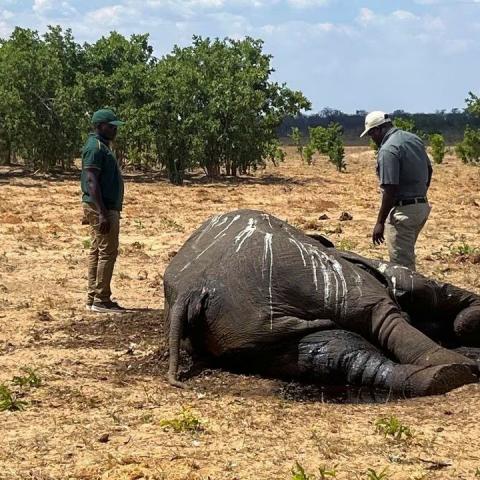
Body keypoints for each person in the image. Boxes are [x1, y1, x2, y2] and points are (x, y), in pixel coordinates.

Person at [360, 111, 432, 271]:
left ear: (378, 129)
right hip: (421, 208)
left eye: (372, 134)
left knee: (402, 269)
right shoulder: (414, 139)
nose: (373, 139)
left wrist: (379, 223)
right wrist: (419, 193)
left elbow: (390, 189)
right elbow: (429, 169)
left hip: (403, 214)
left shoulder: (388, 150)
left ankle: (412, 295)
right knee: (406, 255)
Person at [81, 109, 126, 313]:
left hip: (103, 206)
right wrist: (101, 212)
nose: (114, 129)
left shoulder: (102, 146)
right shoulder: (95, 148)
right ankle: (101, 299)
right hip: (103, 208)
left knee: (97, 251)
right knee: (107, 252)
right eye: (111, 125)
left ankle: (94, 298)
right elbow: (91, 180)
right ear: (99, 126)